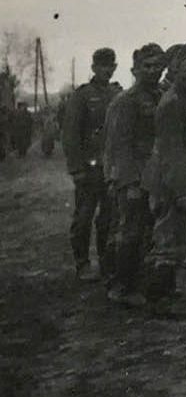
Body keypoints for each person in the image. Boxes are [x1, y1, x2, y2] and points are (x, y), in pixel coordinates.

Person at [104, 43, 166, 307]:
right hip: (135, 177)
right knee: (129, 231)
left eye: (156, 66)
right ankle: (121, 286)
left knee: (150, 231)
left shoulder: (162, 96)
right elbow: (120, 145)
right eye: (146, 66)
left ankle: (141, 283)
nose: (152, 71)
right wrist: (128, 182)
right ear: (135, 69)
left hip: (156, 175)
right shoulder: (126, 101)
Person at [144, 54, 186, 317]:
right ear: (175, 71)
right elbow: (171, 151)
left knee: (177, 238)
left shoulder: (185, 100)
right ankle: (160, 300)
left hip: (178, 179)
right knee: (168, 240)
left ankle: (166, 291)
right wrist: (181, 190)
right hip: (172, 183)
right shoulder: (172, 104)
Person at [61, 48, 122, 282]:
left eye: (110, 66)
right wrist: (76, 168)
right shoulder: (83, 96)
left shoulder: (118, 93)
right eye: (102, 66)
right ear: (94, 68)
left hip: (110, 168)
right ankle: (82, 263)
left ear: (115, 68)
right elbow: (71, 135)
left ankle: (107, 264)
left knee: (109, 218)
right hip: (89, 169)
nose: (106, 70)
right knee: (84, 217)